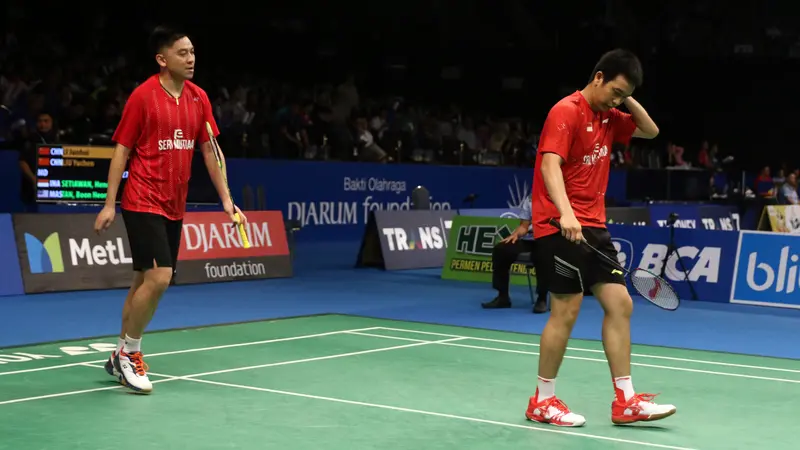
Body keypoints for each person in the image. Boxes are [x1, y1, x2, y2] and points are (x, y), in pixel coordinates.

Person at [526, 49, 676, 426]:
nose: (616, 100)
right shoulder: (566, 110)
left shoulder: (609, 116)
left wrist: (623, 97)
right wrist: (565, 212)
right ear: (597, 78)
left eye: (623, 95)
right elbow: (549, 164)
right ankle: (542, 401)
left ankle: (625, 401)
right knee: (567, 308)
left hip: (594, 225)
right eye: (614, 91)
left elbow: (650, 131)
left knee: (620, 304)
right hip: (559, 223)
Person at [93, 25, 247, 394]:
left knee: (143, 280)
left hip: (174, 204)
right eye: (182, 53)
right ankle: (131, 353)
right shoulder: (143, 97)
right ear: (162, 59)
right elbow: (122, 149)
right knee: (160, 277)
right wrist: (110, 203)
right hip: (142, 197)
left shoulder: (199, 99)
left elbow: (210, 150)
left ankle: (118, 355)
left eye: (193, 52)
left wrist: (226, 200)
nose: (191, 58)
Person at [481, 195, 549, 313]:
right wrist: (515, 235)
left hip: (549, 239)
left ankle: (542, 298)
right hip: (529, 239)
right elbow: (524, 225)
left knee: (542, 254)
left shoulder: (560, 197)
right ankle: (503, 297)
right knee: (501, 249)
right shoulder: (531, 199)